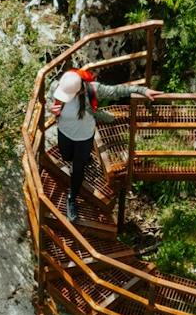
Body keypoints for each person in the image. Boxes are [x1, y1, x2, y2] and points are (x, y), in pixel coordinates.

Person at [46, 67, 158, 222]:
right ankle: (83, 160)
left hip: (84, 137)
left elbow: (117, 91)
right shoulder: (56, 86)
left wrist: (143, 91)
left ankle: (71, 198)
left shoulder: (92, 90)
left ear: (79, 91)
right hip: (64, 133)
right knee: (66, 155)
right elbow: (49, 100)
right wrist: (51, 109)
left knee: (77, 168)